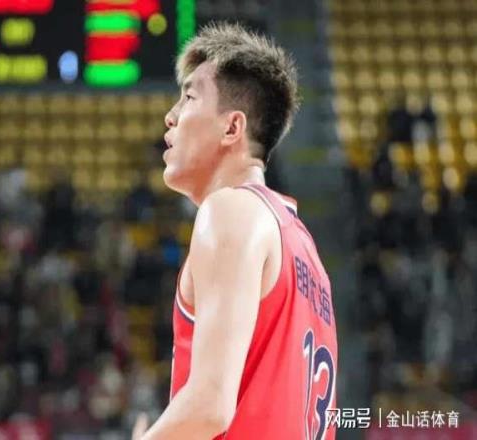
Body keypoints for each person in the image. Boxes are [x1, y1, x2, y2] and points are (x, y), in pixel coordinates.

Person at [132, 22, 338, 440]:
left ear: (232, 128)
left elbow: (210, 406)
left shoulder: (230, 210)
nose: (170, 116)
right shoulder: (304, 250)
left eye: (189, 97)